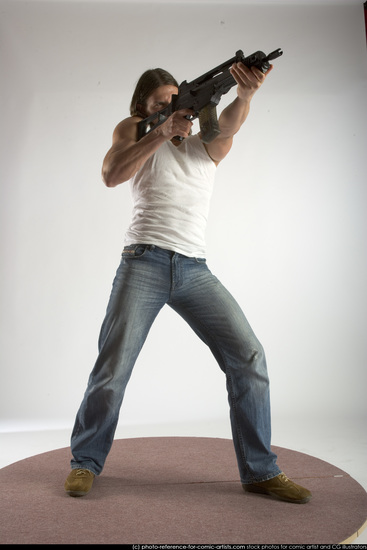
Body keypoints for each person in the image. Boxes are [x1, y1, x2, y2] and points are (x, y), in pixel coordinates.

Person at [64, 58, 312, 504]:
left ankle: (259, 472)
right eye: (161, 103)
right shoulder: (136, 133)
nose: (173, 108)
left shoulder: (205, 146)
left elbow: (229, 126)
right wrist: (159, 130)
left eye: (177, 102)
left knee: (248, 357)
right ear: (143, 107)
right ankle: (85, 463)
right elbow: (111, 175)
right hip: (143, 262)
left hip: (195, 269)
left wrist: (247, 93)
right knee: (113, 368)